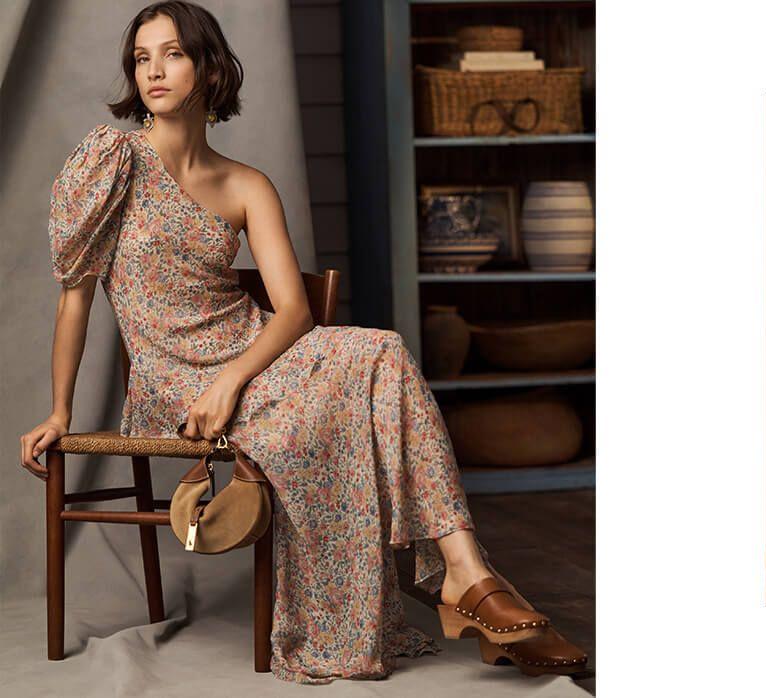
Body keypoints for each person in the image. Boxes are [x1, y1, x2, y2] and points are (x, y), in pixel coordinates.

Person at [16, 0, 585, 683]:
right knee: (360, 379)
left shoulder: (246, 183)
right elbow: (75, 297)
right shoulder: (112, 162)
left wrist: (232, 380)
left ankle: (466, 573)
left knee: (380, 351)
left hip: (255, 356)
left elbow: (291, 312)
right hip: (173, 378)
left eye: (172, 53)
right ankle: (466, 582)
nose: (154, 71)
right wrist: (60, 414)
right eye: (142, 58)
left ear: (210, 66)